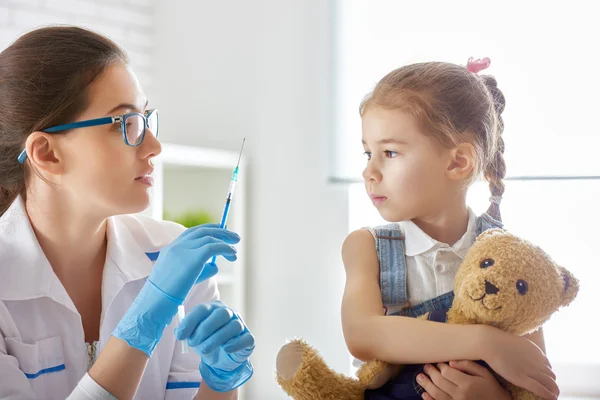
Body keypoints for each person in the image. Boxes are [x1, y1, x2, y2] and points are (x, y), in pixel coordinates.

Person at [0, 26, 254, 400]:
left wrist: (220, 382)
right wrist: (147, 315)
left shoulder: (172, 255)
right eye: (126, 123)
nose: (154, 146)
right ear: (47, 154)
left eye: (146, 119)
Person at [341, 57, 559, 400]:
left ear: (457, 161)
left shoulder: (512, 258)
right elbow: (363, 335)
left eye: (390, 152)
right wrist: (486, 343)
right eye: (368, 153)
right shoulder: (366, 246)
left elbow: (535, 379)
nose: (370, 171)